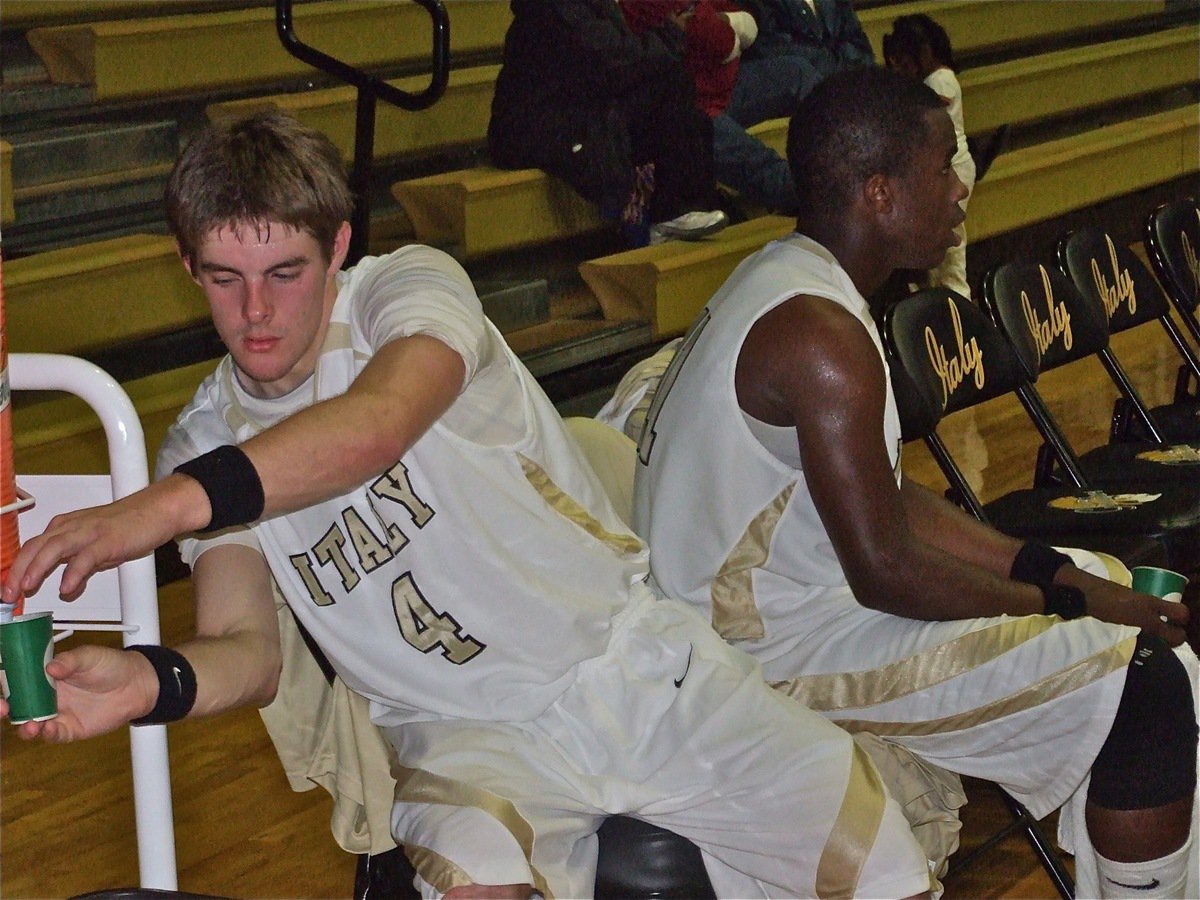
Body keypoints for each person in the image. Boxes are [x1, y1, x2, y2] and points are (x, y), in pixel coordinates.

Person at [1, 110, 938, 899]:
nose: (256, 313)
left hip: (629, 666)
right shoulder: (205, 438)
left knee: (889, 869)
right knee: (475, 873)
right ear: (186, 264)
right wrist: (145, 681)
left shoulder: (404, 291)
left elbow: (375, 424)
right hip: (463, 736)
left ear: (336, 247)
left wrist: (156, 512)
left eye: (285, 273)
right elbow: (247, 653)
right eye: (222, 277)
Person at [634, 66, 1198, 899]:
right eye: (944, 166)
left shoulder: (797, 282)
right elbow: (886, 569)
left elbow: (889, 499)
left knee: (1126, 602)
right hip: (748, 657)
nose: (963, 186)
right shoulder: (821, 337)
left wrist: (1055, 571)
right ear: (879, 192)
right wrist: (1067, 606)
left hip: (788, 613)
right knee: (1140, 679)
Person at [487, 0, 728, 247]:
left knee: (677, 89)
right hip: (534, 128)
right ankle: (672, 212)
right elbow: (610, 62)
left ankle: (681, 209)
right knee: (669, 83)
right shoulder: (553, 8)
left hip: (578, 111)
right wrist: (671, 34)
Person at [621, 0, 800, 215]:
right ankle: (824, 196)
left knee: (798, 75)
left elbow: (746, 21)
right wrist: (729, 26)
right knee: (765, 167)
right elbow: (724, 44)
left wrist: (728, 21)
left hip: (723, 86)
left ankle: (838, 160)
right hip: (685, 111)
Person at [884, 13, 975, 299]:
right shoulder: (932, 81)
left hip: (953, 169)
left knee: (951, 243)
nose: (901, 68)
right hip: (943, 169)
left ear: (922, 53)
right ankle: (936, 298)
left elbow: (926, 107)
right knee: (936, 237)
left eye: (904, 61)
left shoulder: (941, 80)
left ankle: (958, 299)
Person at [725, 0, 874, 129]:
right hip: (795, 98)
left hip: (844, 91)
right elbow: (772, 51)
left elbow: (860, 45)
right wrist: (841, 70)